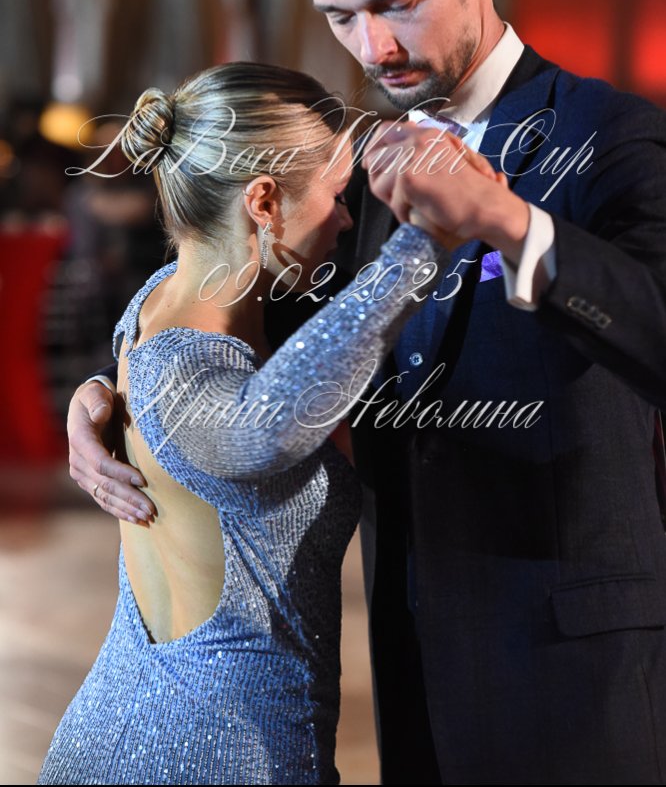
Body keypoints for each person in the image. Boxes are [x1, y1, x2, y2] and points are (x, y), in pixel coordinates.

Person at [67, 0, 666, 785]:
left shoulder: (611, 135)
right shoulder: (367, 168)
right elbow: (266, 333)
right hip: (408, 661)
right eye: (340, 15)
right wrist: (112, 391)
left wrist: (511, 222)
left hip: (572, 671)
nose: (372, 47)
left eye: (397, 4)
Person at [40, 61, 466, 786]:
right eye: (337, 196)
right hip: (214, 757)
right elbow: (262, 428)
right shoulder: (186, 365)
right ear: (263, 201)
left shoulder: (157, 301)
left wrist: (95, 390)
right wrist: (427, 239)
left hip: (127, 731)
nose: (345, 220)